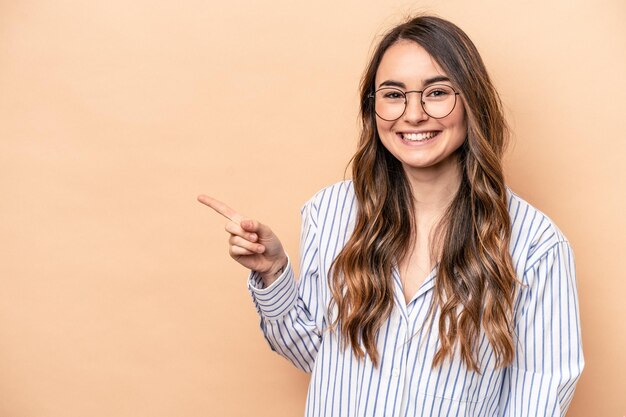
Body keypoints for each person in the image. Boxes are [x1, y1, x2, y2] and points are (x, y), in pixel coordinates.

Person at [198, 15, 584, 417]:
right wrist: (274, 273)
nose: (413, 114)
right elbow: (318, 358)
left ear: (472, 101)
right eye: (394, 94)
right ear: (373, 107)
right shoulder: (329, 213)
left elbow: (536, 397)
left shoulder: (536, 244)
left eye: (436, 92)